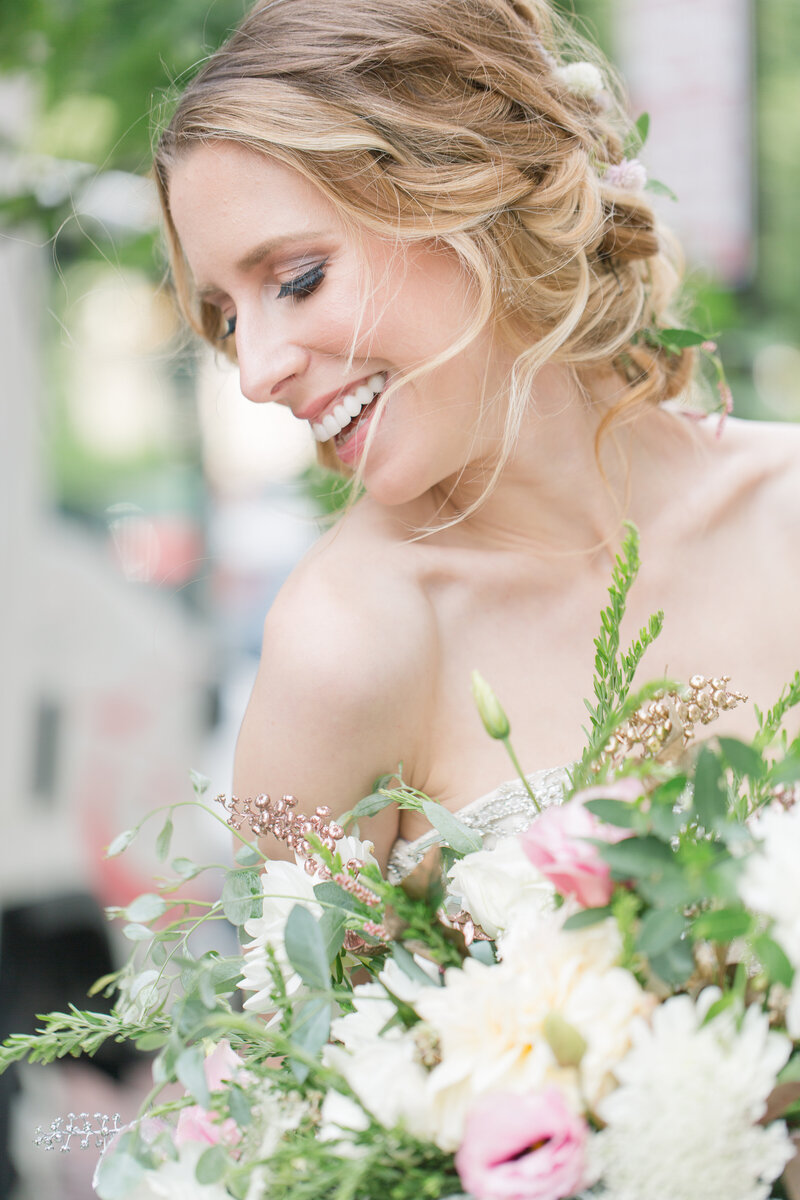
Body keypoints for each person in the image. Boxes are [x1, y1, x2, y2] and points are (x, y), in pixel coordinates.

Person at [154, 0, 800, 877]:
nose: (256, 370)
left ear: (470, 192)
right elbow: (287, 1006)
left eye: (297, 279)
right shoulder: (346, 650)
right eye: (229, 319)